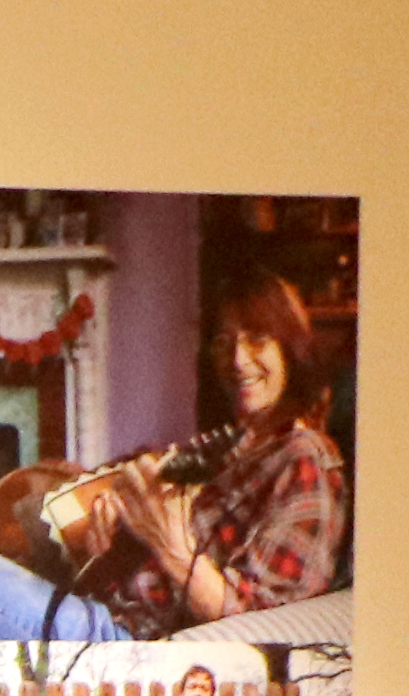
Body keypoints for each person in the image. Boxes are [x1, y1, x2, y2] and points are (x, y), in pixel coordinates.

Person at [139, 269, 349, 633]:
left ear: (288, 348)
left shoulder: (303, 458)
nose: (237, 360)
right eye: (224, 343)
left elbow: (259, 618)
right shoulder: (233, 445)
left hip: (127, 638)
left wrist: (168, 544)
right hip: (105, 607)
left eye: (256, 339)